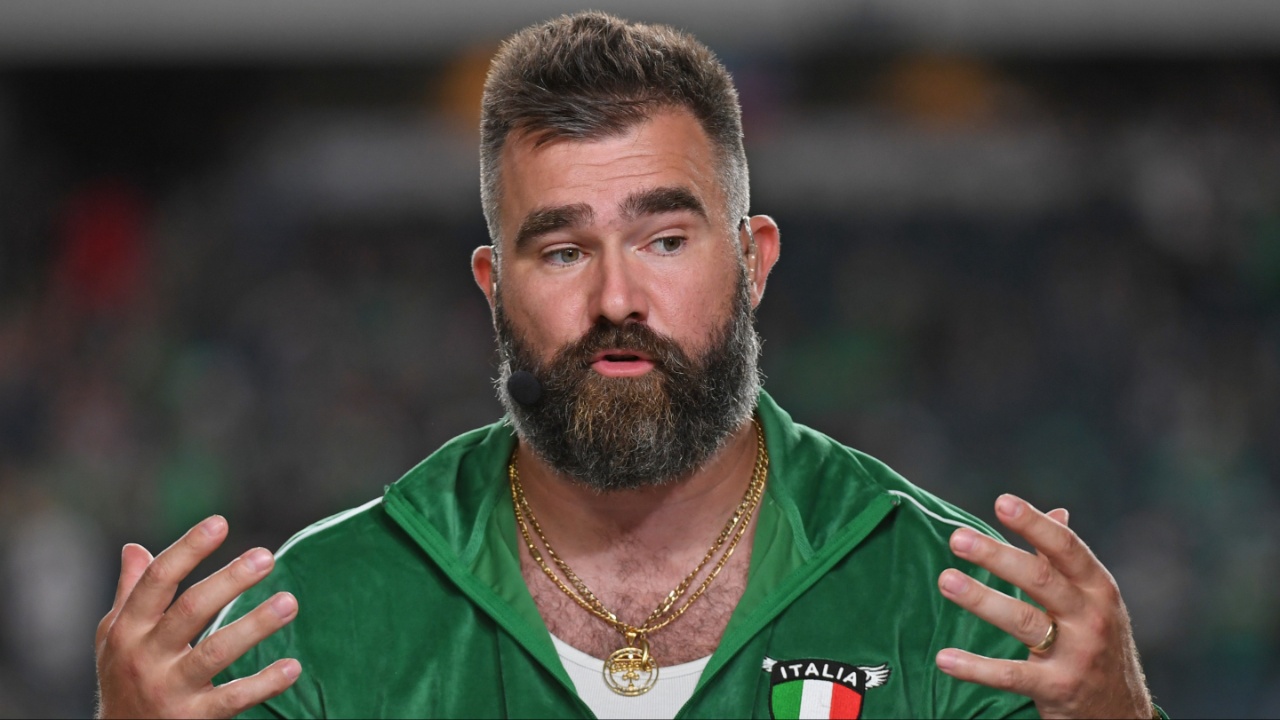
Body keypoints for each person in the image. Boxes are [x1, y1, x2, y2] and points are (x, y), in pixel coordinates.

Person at [94, 12, 1161, 719]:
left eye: (662, 240)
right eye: (561, 250)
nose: (615, 299)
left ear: (751, 261)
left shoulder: (951, 611)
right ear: (491, 287)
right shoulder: (316, 619)